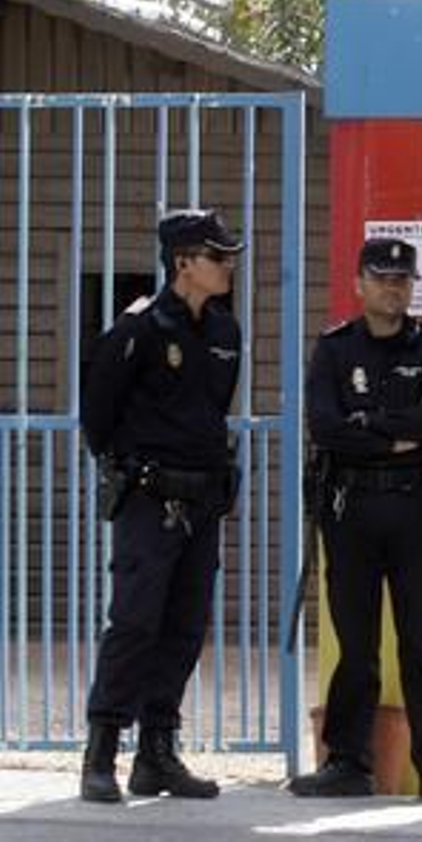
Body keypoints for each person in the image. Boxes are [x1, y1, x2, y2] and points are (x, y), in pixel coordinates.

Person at [287, 238, 422, 804]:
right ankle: (347, 762)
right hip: (351, 509)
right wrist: (391, 436)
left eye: (402, 279)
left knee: (420, 641)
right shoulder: (335, 348)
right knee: (355, 644)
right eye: (382, 278)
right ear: (359, 284)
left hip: (415, 509)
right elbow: (325, 425)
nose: (393, 288)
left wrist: (364, 426)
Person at [79, 208, 246, 803]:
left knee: (185, 626)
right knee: (134, 622)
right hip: (150, 499)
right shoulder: (139, 330)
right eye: (217, 257)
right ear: (183, 263)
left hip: (201, 501)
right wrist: (133, 467)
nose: (228, 266)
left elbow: (212, 412)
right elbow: (98, 416)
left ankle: (157, 752)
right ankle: (101, 752)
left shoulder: (225, 332)